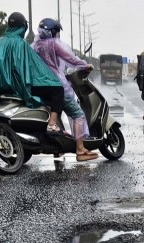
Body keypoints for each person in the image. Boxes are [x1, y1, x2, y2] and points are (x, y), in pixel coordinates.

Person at [0, 13, 66, 135]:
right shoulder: (21, 44)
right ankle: (52, 124)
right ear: (23, 27)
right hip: (19, 85)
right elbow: (34, 69)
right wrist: (51, 78)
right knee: (58, 89)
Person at [32, 17, 98, 161]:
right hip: (56, 84)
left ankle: (58, 149)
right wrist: (84, 65)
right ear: (54, 32)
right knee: (77, 113)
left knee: (56, 111)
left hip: (37, 86)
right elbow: (70, 59)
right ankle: (80, 149)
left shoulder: (34, 46)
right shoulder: (53, 45)